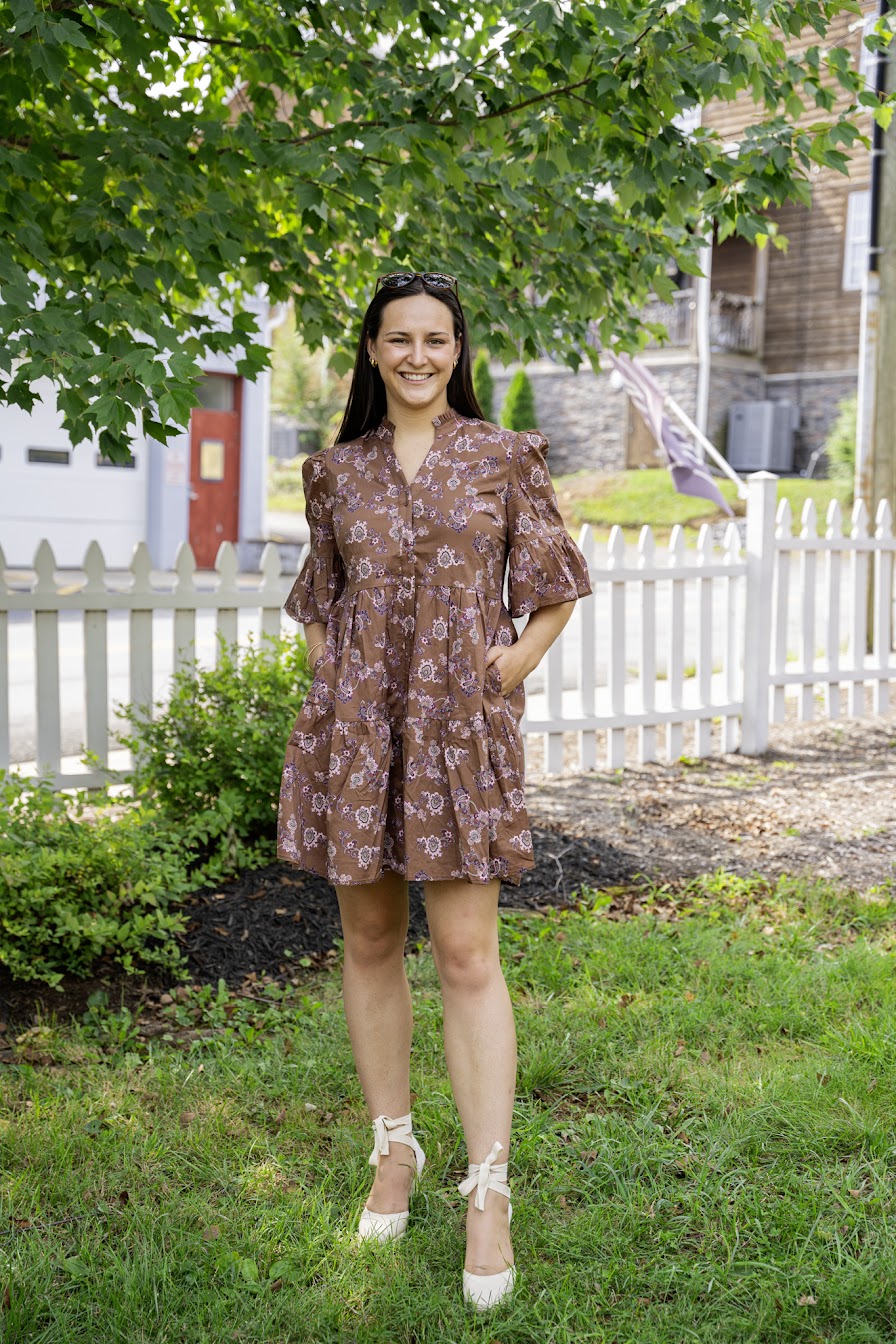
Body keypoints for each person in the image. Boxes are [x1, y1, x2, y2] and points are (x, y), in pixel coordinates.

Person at [277, 271, 592, 1309]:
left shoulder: (504, 459)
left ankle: (487, 1191)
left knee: (464, 955)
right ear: (369, 352)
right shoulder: (333, 473)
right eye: (398, 338)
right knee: (368, 943)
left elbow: (553, 589)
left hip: (461, 732)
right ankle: (393, 1152)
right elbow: (318, 599)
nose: (418, 355)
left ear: (458, 352)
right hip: (358, 736)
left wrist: (507, 670)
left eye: (437, 339)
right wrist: (336, 681)